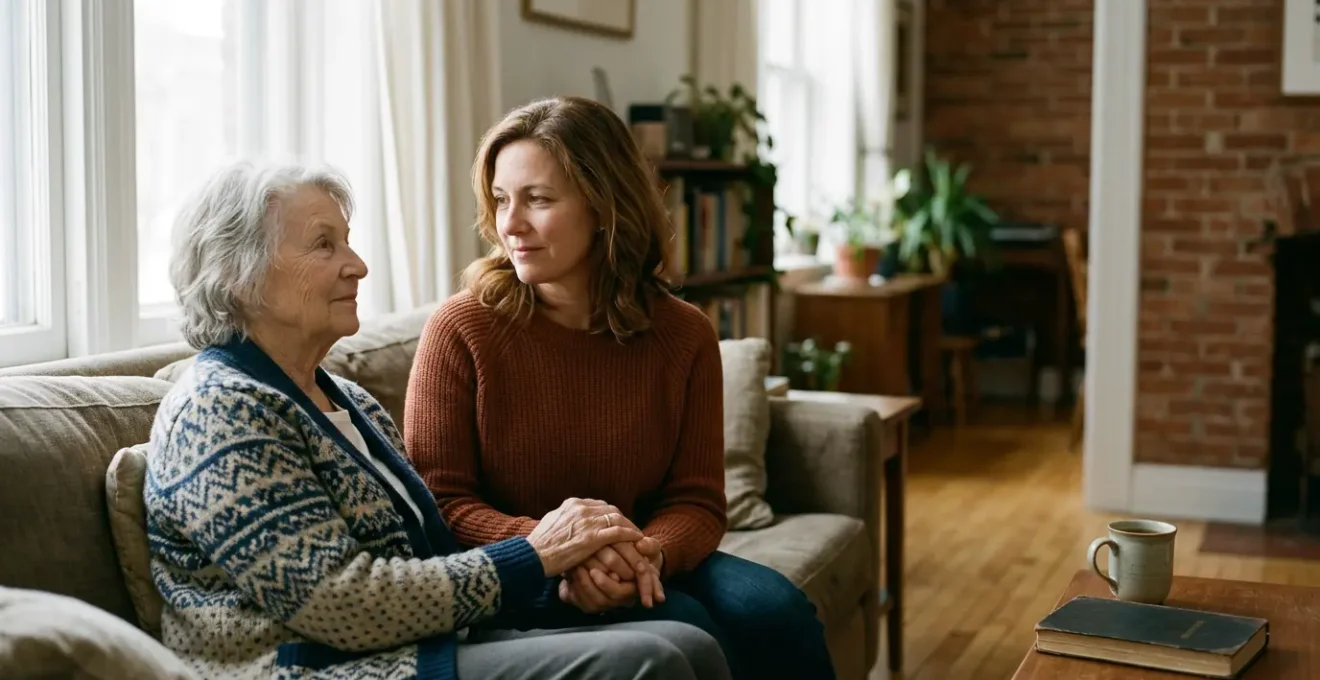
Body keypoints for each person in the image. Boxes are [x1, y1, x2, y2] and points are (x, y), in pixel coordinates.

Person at [143, 160, 731, 680]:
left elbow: (428, 555)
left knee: (688, 643)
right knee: (652, 660)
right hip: (316, 666)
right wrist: (539, 554)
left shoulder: (346, 399)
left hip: (418, 642)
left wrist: (573, 572)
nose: (358, 265)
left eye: (347, 241)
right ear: (237, 274)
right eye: (325, 245)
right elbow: (339, 603)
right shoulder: (220, 410)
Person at [404, 96, 837, 680]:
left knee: (777, 611)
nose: (510, 224)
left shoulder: (683, 335)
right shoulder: (461, 329)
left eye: (538, 199)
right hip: (519, 567)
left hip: (644, 554)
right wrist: (565, 547)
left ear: (604, 205)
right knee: (684, 624)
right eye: (502, 200)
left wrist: (648, 553)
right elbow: (442, 503)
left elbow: (698, 501)